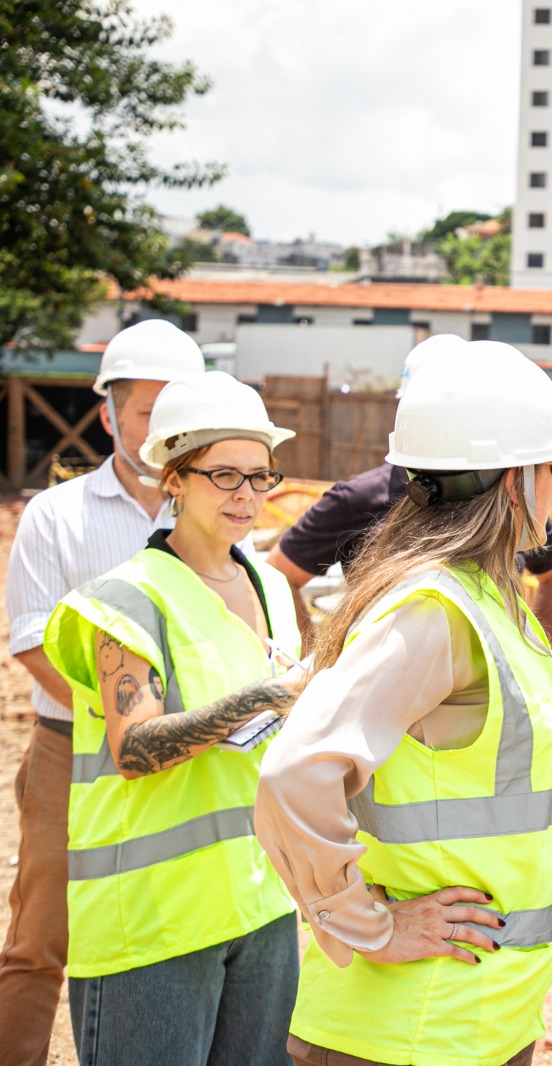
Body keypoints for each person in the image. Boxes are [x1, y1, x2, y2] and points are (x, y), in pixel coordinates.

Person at [255, 340, 552, 1066]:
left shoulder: (491, 602)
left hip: (475, 1017)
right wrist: (367, 924)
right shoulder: (432, 611)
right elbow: (293, 773)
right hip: (409, 1028)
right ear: (514, 482)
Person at [43, 371, 306, 1065]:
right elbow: (134, 748)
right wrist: (267, 698)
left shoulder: (273, 587)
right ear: (175, 479)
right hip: (154, 919)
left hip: (262, 905)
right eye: (224, 475)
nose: (246, 495)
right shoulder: (126, 599)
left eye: (260, 476)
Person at [0, 320, 203, 1066]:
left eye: (172, 411)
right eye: (143, 411)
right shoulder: (58, 515)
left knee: (161, 930)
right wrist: (120, 721)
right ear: (110, 414)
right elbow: (29, 637)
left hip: (186, 758)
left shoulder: (213, 516)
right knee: (41, 934)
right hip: (71, 751)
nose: (157, 428)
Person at [265, 335, 552, 642]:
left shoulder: (510, 500)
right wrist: (306, 657)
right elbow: (277, 573)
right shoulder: (358, 499)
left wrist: (531, 652)